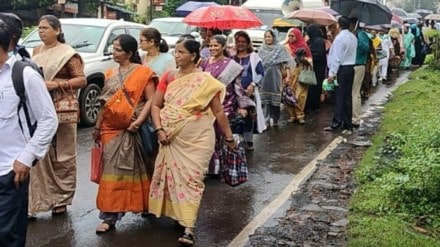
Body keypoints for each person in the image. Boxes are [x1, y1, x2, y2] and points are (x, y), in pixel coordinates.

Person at [148, 38, 236, 246]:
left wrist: (229, 137)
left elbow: (218, 111)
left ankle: (189, 227)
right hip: (169, 136)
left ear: (194, 56)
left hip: (198, 138)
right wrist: (159, 129)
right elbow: (155, 105)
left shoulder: (206, 80)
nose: (176, 56)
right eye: (175, 52)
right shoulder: (169, 77)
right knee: (172, 177)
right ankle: (181, 216)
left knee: (193, 180)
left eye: (181, 52)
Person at [0, 18, 58, 246]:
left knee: (6, 235)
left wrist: (26, 158)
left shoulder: (24, 74)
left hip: (9, 169)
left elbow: (48, 120)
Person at [92, 34, 157, 233]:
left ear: (129, 53)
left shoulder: (144, 73)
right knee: (111, 173)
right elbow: (105, 104)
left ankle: (146, 205)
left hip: (134, 129)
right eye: (113, 48)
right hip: (111, 130)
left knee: (141, 169)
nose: (114, 52)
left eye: (118, 49)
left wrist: (137, 122)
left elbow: (151, 101)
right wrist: (96, 126)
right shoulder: (110, 72)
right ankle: (109, 216)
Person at [28, 15, 86, 217]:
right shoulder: (36, 51)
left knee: (62, 155)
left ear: (57, 30)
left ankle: (61, 199)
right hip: (39, 108)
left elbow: (81, 80)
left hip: (62, 111)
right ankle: (37, 201)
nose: (41, 31)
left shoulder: (69, 54)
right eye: (39, 28)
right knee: (38, 153)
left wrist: (57, 84)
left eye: (45, 28)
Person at [199, 34, 243, 175]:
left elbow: (238, 87)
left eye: (216, 45)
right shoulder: (204, 62)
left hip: (226, 102)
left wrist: (243, 106)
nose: (212, 48)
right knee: (207, 134)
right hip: (207, 103)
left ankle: (223, 167)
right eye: (210, 45)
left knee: (221, 132)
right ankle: (210, 168)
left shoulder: (232, 65)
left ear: (223, 47)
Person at [232, 31, 265, 150]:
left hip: (248, 93)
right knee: (235, 115)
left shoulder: (253, 57)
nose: (240, 44)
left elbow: (261, 73)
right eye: (238, 42)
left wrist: (253, 84)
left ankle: (248, 140)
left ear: (248, 44)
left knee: (249, 117)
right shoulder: (231, 57)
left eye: (243, 42)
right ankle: (236, 139)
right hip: (234, 92)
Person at [324, 16, 357, 134]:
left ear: (339, 25)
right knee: (348, 97)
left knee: (339, 97)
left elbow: (337, 58)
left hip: (341, 69)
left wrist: (332, 74)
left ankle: (337, 123)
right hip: (350, 68)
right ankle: (348, 124)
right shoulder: (353, 37)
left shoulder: (339, 39)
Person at [259, 29, 292, 127]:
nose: (268, 38)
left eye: (269, 36)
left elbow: (286, 62)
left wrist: (288, 76)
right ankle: (266, 119)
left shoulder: (280, 49)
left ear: (274, 37)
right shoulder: (262, 49)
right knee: (264, 99)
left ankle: (275, 118)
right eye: (266, 37)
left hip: (275, 76)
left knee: (275, 99)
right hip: (264, 77)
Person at [284, 27, 312, 124]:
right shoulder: (286, 47)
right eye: (289, 36)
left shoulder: (304, 46)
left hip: (301, 73)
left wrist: (303, 59)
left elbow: (310, 60)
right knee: (289, 95)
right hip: (289, 73)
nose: (291, 38)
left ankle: (300, 115)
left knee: (300, 95)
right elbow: (284, 61)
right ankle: (292, 115)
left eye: (293, 36)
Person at [349, 18, 370, 129]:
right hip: (350, 65)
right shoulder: (351, 34)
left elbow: (366, 48)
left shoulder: (361, 34)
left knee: (355, 93)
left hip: (358, 65)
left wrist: (358, 39)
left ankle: (356, 118)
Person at [305, 24, 327, 114]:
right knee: (311, 87)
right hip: (313, 68)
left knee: (315, 88)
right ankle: (311, 106)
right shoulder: (312, 41)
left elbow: (319, 54)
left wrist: (309, 56)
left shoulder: (319, 41)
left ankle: (314, 107)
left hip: (318, 68)